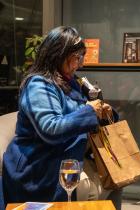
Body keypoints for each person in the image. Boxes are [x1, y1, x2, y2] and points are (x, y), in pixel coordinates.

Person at [2, 26, 121, 209]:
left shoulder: (70, 81)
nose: (81, 64)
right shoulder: (38, 84)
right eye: (77, 57)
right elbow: (51, 129)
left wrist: (104, 113)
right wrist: (89, 111)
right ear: (58, 54)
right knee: (97, 185)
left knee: (117, 176)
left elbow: (81, 117)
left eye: (82, 56)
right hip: (40, 166)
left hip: (68, 155)